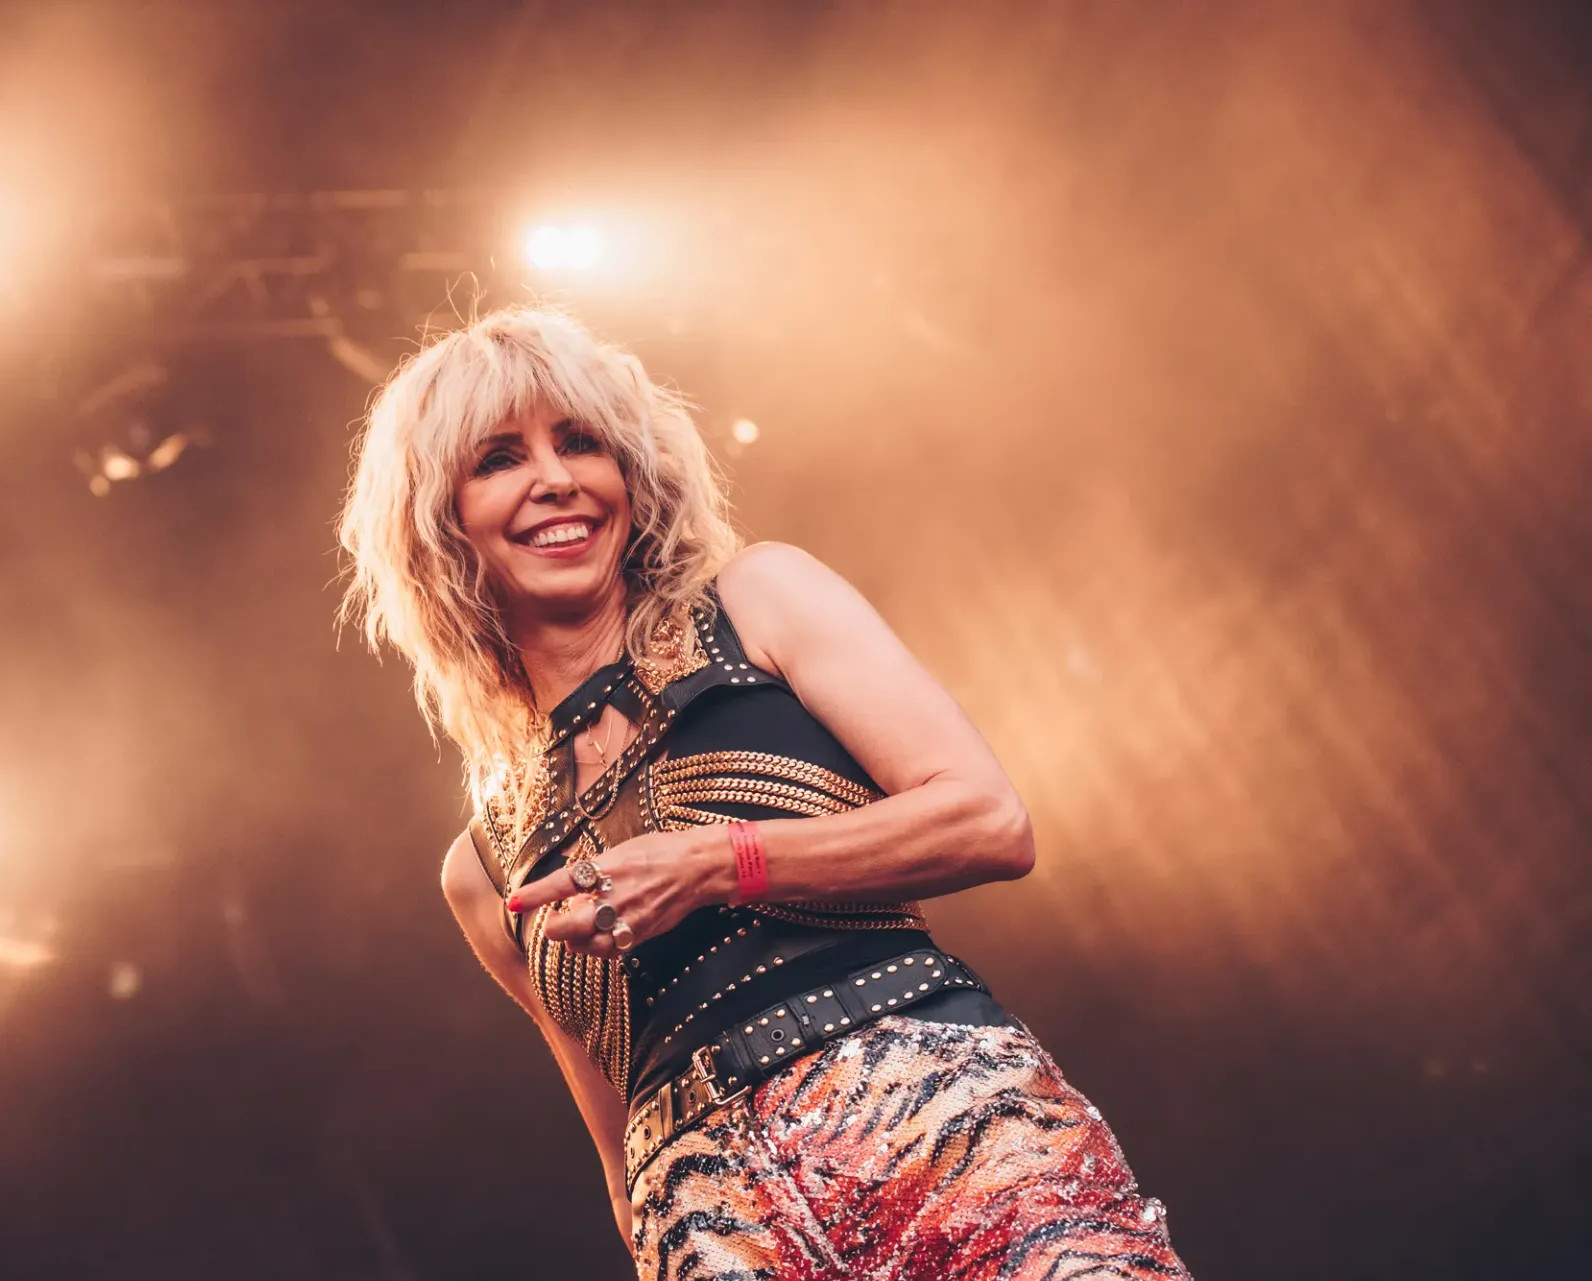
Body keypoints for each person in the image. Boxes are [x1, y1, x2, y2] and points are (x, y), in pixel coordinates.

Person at [339, 307, 1191, 1280]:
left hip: (944, 1133)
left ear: (632, 474)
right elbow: (619, 1165)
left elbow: (987, 820)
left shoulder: (758, 602)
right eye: (499, 459)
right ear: (437, 525)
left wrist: (720, 861)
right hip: (712, 1226)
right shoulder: (484, 870)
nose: (556, 478)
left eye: (581, 443)